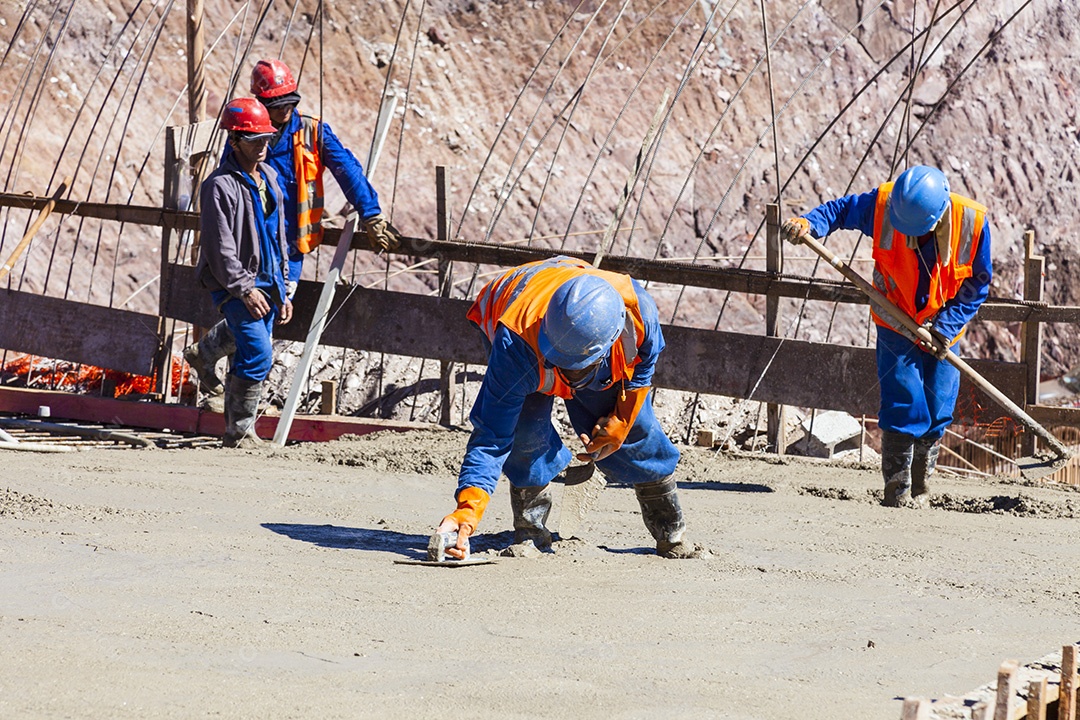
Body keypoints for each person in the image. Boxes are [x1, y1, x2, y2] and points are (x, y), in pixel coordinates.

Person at [432, 255, 703, 559]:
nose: (567, 376)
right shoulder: (515, 347)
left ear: (613, 340)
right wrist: (468, 509)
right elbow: (492, 434)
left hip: (570, 308)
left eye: (576, 367)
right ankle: (531, 531)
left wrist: (622, 421)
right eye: (560, 363)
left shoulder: (640, 315)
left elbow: (641, 371)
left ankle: (670, 532)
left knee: (638, 428)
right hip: (514, 309)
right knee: (524, 432)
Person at [185, 58, 400, 407]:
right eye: (275, 105)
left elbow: (347, 169)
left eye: (289, 103)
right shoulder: (245, 134)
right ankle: (236, 411)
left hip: (289, 249)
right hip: (249, 248)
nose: (284, 111)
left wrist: (371, 213)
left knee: (264, 320)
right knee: (256, 327)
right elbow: (227, 186)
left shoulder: (313, 132)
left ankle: (209, 360)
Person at [781, 165, 992, 507]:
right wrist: (811, 223)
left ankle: (922, 489)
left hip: (943, 326)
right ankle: (897, 491)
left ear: (939, 214)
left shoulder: (973, 222)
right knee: (903, 400)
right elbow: (841, 211)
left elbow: (977, 283)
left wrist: (946, 327)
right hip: (895, 318)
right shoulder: (884, 205)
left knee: (939, 404)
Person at [196, 98, 293, 447]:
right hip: (234, 284)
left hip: (267, 282)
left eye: (267, 139)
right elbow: (219, 248)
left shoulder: (269, 176)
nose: (263, 147)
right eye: (255, 141)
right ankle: (239, 432)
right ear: (234, 141)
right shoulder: (218, 187)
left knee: (248, 348)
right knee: (258, 355)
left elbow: (277, 235)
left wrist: (283, 288)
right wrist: (244, 289)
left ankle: (204, 354)